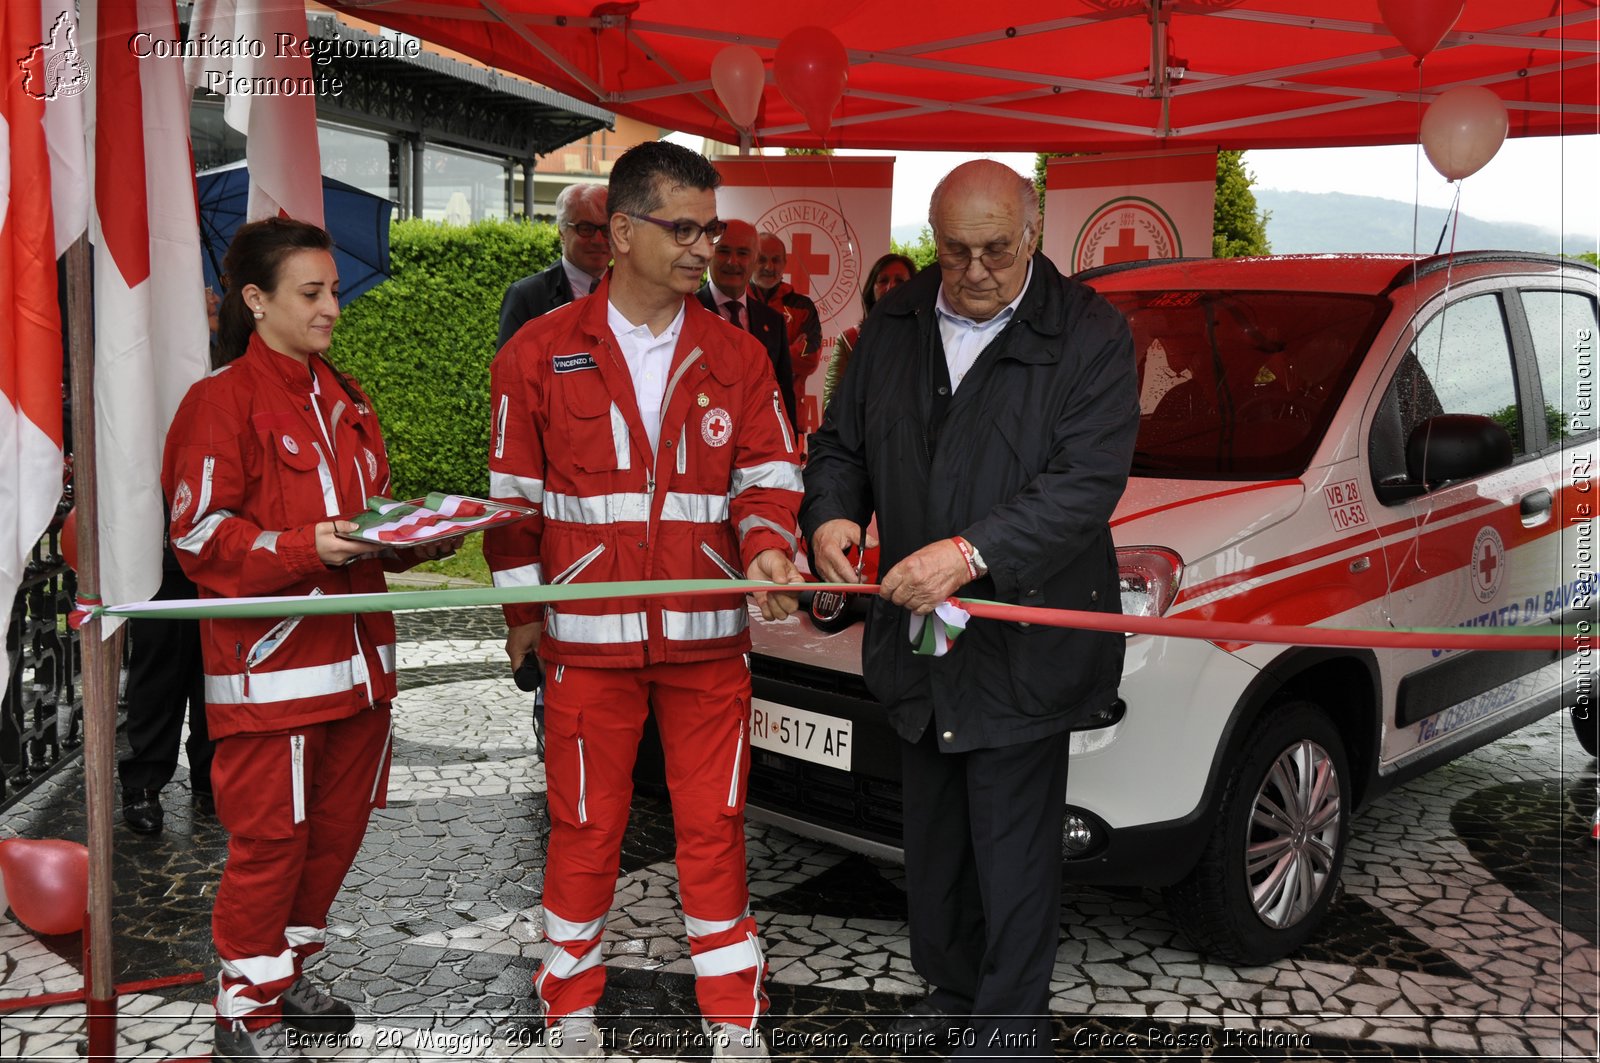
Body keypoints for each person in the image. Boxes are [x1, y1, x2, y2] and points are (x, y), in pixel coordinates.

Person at [800, 161, 1139, 1059]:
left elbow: (1084, 484)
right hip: (918, 637)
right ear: (931, 241)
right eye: (956, 251)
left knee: (1013, 845)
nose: (977, 268)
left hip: (1022, 637)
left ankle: (1007, 1025)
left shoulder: (1092, 335)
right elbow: (842, 444)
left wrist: (969, 554)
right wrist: (833, 510)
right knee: (937, 838)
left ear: (1033, 236)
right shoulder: (897, 319)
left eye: (997, 248)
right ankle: (951, 989)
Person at [486, 140, 804, 1061]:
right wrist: (522, 624)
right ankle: (568, 1004)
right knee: (586, 829)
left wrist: (770, 550)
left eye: (711, 227)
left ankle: (735, 1016)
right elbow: (511, 508)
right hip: (585, 645)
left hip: (709, 642)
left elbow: (769, 480)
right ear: (621, 233)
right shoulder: (537, 353)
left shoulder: (740, 357)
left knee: (716, 828)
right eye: (684, 227)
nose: (706, 245)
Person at [163, 218, 458, 1061]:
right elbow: (200, 538)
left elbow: (369, 518)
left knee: (333, 837)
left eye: (333, 290)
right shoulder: (217, 402)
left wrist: (415, 536)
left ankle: (286, 973)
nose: (332, 306)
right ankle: (243, 1010)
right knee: (269, 845)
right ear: (255, 301)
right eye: (312, 292)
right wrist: (307, 546)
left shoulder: (348, 396)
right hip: (273, 676)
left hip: (361, 672)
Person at [120, 290, 226, 834]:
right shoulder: (144, 360)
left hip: (216, 551)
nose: (205, 298)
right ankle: (143, 784)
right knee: (158, 671)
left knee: (215, 674)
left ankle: (212, 781)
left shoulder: (234, 362)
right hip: (158, 548)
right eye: (197, 292)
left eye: (213, 294)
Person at [696, 219, 797, 430]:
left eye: (743, 253)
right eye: (723, 251)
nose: (733, 262)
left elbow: (783, 392)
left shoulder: (773, 321)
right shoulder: (685, 312)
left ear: (754, 260)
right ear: (709, 254)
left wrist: (791, 439)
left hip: (758, 448)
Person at [498, 183, 611, 349]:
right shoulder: (526, 297)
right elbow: (508, 370)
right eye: (586, 229)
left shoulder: (633, 294)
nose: (598, 240)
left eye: (606, 229)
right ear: (562, 233)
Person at [820, 252, 915, 409]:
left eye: (900, 280)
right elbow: (832, 403)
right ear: (872, 290)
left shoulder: (927, 338)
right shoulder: (849, 339)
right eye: (883, 280)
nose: (891, 287)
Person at [750, 233, 822, 400]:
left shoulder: (803, 307)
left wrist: (753, 357)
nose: (769, 267)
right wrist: (788, 353)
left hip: (789, 410)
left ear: (785, 263)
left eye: (775, 260)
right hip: (742, 409)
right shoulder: (736, 304)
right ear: (750, 260)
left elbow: (810, 359)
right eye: (761, 259)